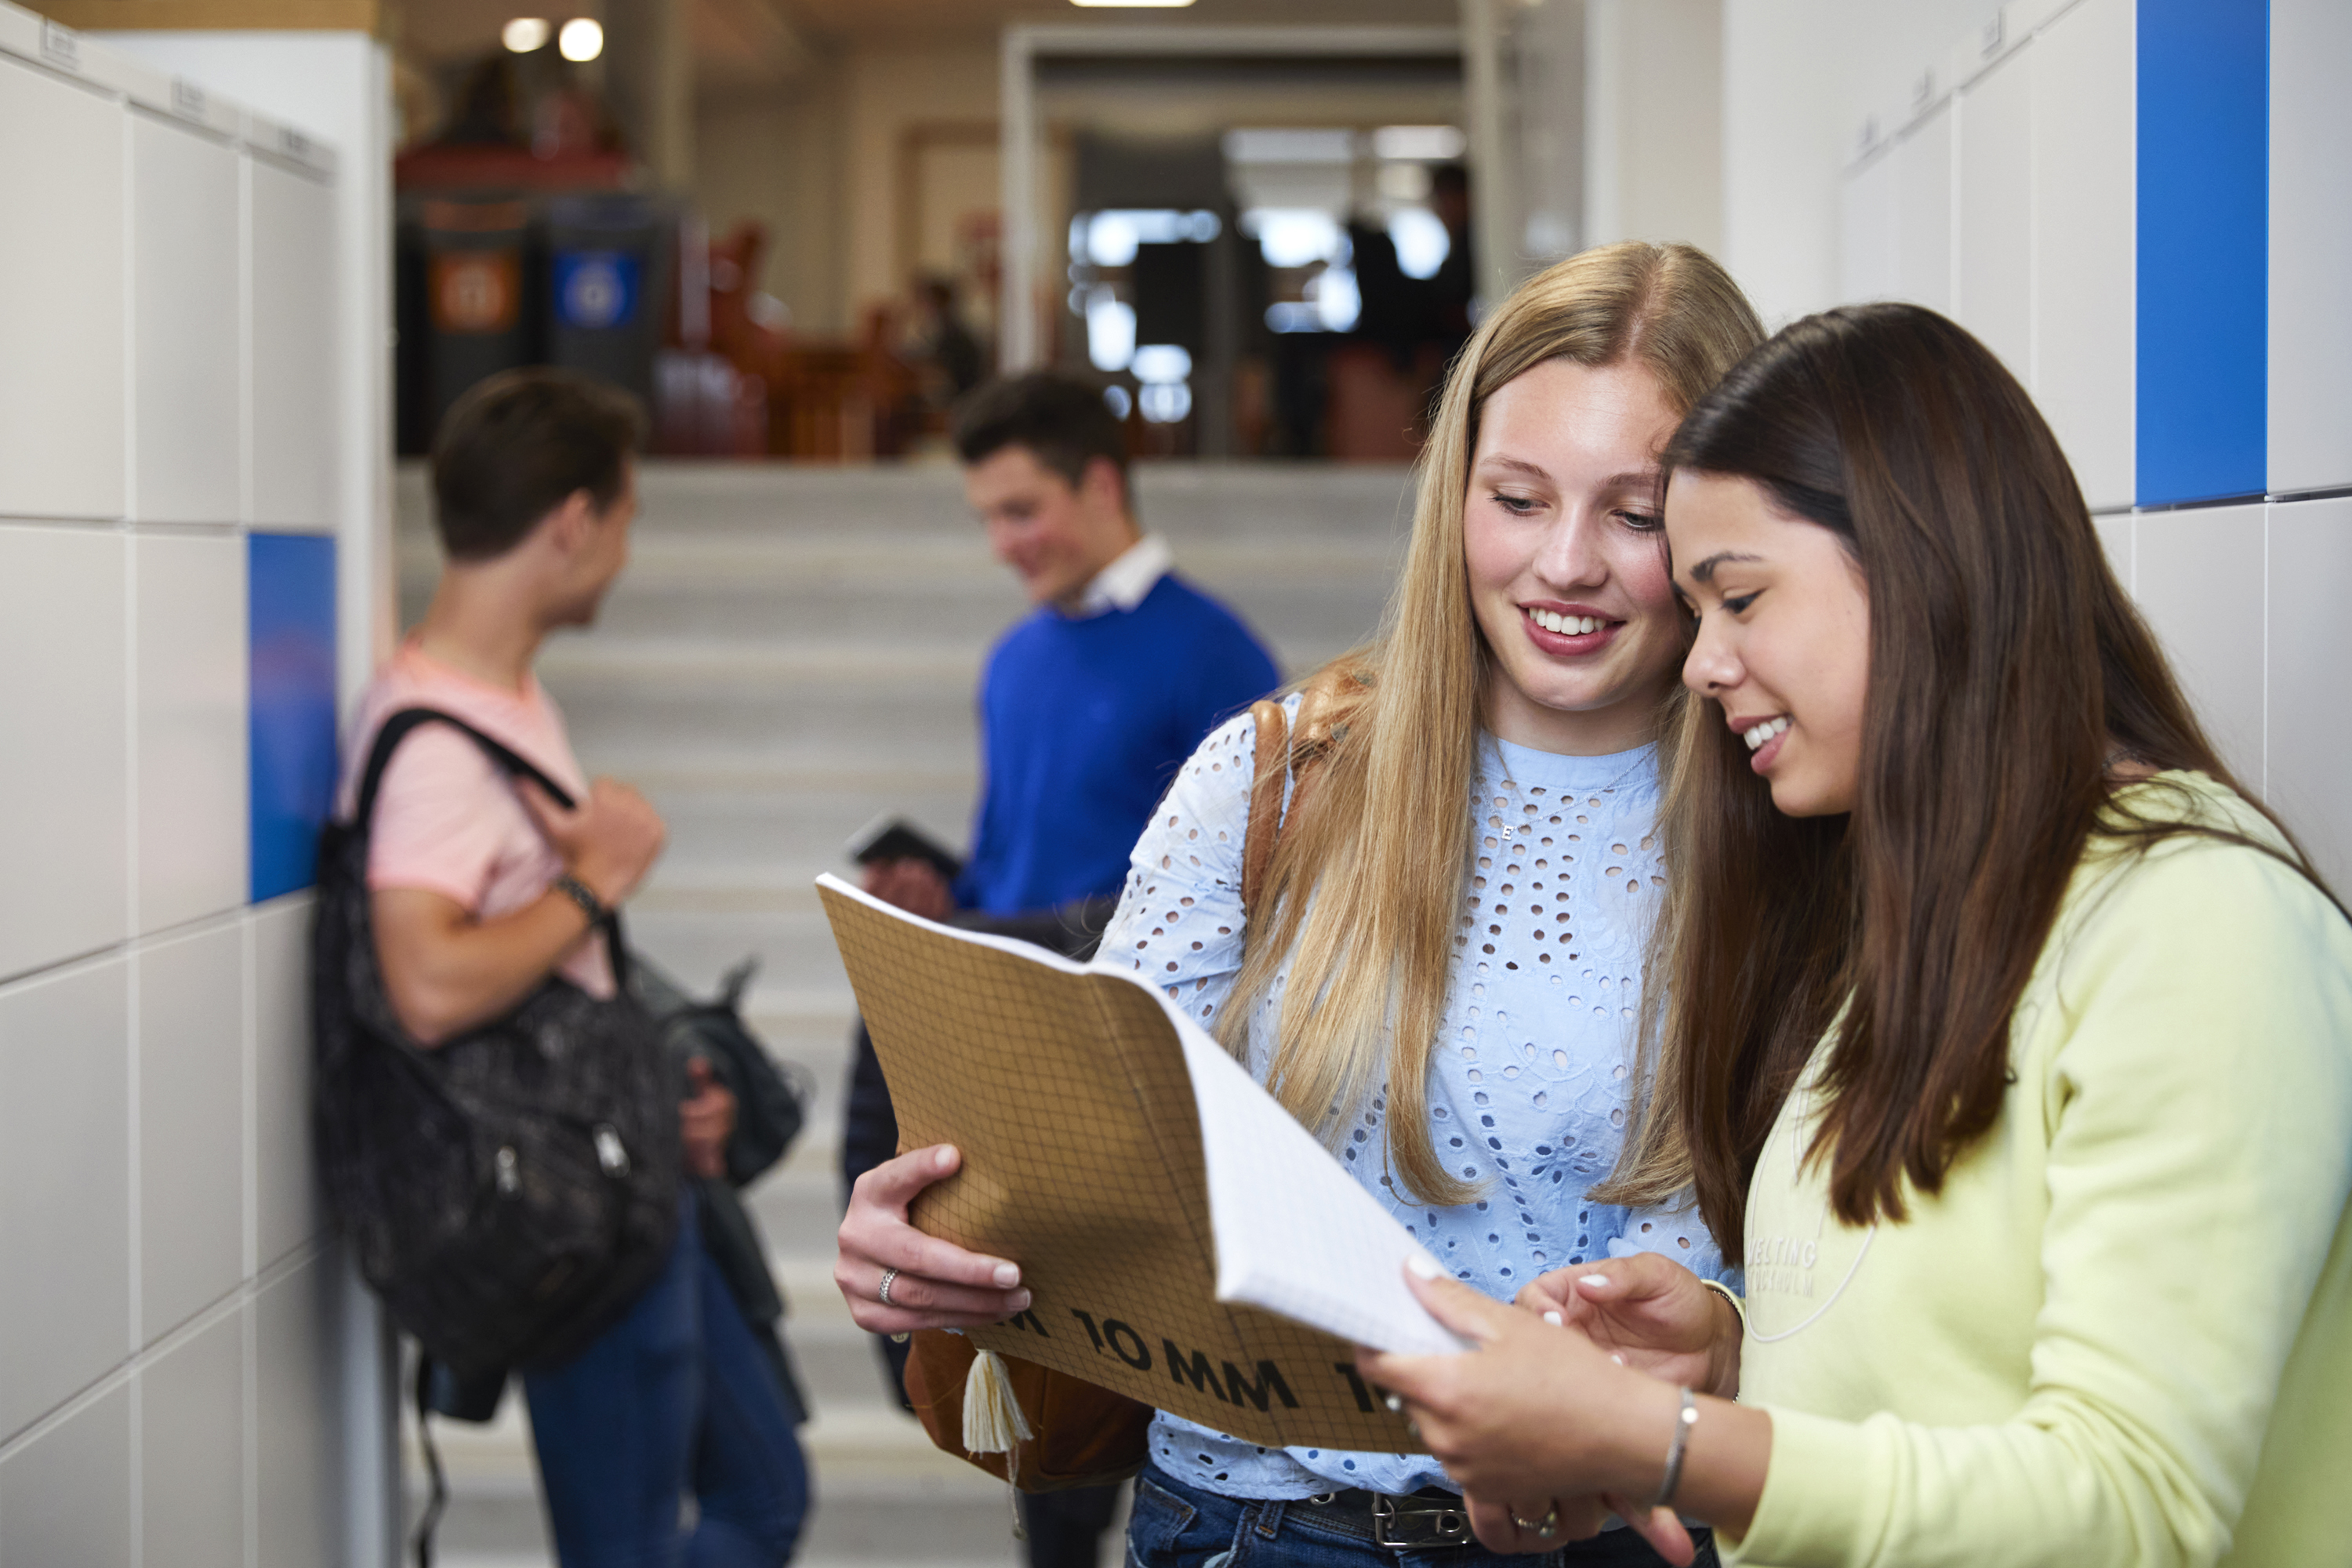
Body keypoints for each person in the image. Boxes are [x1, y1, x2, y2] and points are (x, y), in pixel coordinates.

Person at [1356, 303, 2352, 1566]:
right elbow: (1937, 1361)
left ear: (1923, 563)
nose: (1705, 666)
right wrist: (1725, 1353)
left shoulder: (2203, 929)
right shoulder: (1944, 900)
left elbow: (2133, 1506)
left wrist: (1660, 1443)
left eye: (1742, 598)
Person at [837, 242, 1770, 1566]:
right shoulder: (1279, 775)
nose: (1565, 563)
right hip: (1253, 1525)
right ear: (1454, 494)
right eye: (1516, 497)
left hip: (1619, 1532)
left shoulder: (1794, 812)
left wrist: (1724, 1328)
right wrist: (938, 1241)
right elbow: (1094, 1146)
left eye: (1635, 513)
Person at [343, 367, 809, 1568]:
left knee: (764, 1496)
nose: (624, 550)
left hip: (629, 1171)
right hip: (571, 1213)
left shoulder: (500, 696)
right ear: (571, 521)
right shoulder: (438, 746)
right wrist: (601, 877)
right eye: (626, 519)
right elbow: (428, 985)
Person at [843, 370, 1281, 1566]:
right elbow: (1004, 859)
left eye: (1023, 510)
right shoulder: (1014, 660)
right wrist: (948, 898)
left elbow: (1268, 897)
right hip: (1012, 1049)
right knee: (1037, 1450)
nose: (1004, 543)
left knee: (1125, 1435)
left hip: (1132, 1088)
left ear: (1102, 483)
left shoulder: (1215, 655)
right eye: (987, 516)